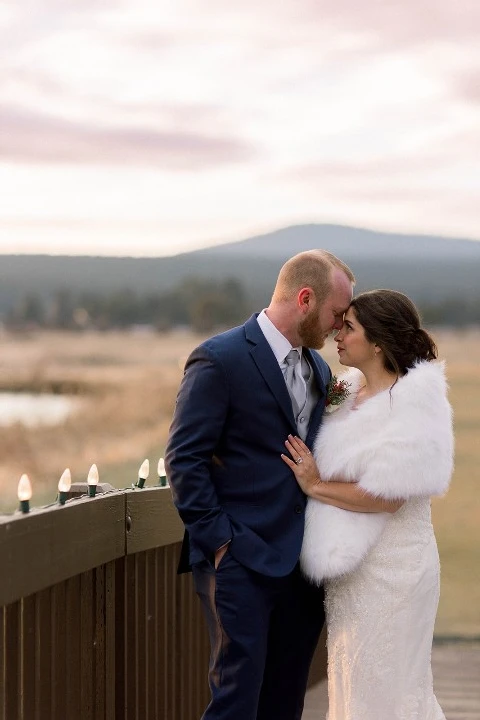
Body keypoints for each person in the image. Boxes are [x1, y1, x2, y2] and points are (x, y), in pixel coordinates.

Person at [165, 250, 355, 720]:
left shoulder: (321, 372)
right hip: (240, 564)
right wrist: (221, 543)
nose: (338, 326)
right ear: (305, 299)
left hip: (301, 571)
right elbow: (183, 459)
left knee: (284, 703)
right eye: (336, 313)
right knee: (236, 702)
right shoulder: (219, 358)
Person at [282, 289, 454, 720]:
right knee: (353, 685)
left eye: (350, 327)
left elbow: (387, 497)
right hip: (352, 575)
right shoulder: (345, 389)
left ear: (377, 342)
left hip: (396, 571)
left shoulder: (414, 402)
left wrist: (315, 485)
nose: (337, 333)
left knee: (391, 690)